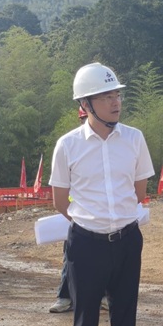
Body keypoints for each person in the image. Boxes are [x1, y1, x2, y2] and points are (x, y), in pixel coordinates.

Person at [50, 62, 153, 326]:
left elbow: (139, 192)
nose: (115, 102)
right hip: (85, 245)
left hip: (126, 241)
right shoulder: (68, 145)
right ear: (86, 104)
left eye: (117, 95)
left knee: (125, 325)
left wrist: (114, 218)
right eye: (106, 96)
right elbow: (60, 200)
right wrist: (91, 220)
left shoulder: (134, 139)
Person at [49, 107, 110, 315]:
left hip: (104, 219)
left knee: (106, 260)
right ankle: (65, 296)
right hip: (78, 217)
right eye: (84, 119)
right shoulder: (72, 145)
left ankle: (104, 296)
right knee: (72, 258)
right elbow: (61, 191)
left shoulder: (112, 147)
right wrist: (74, 217)